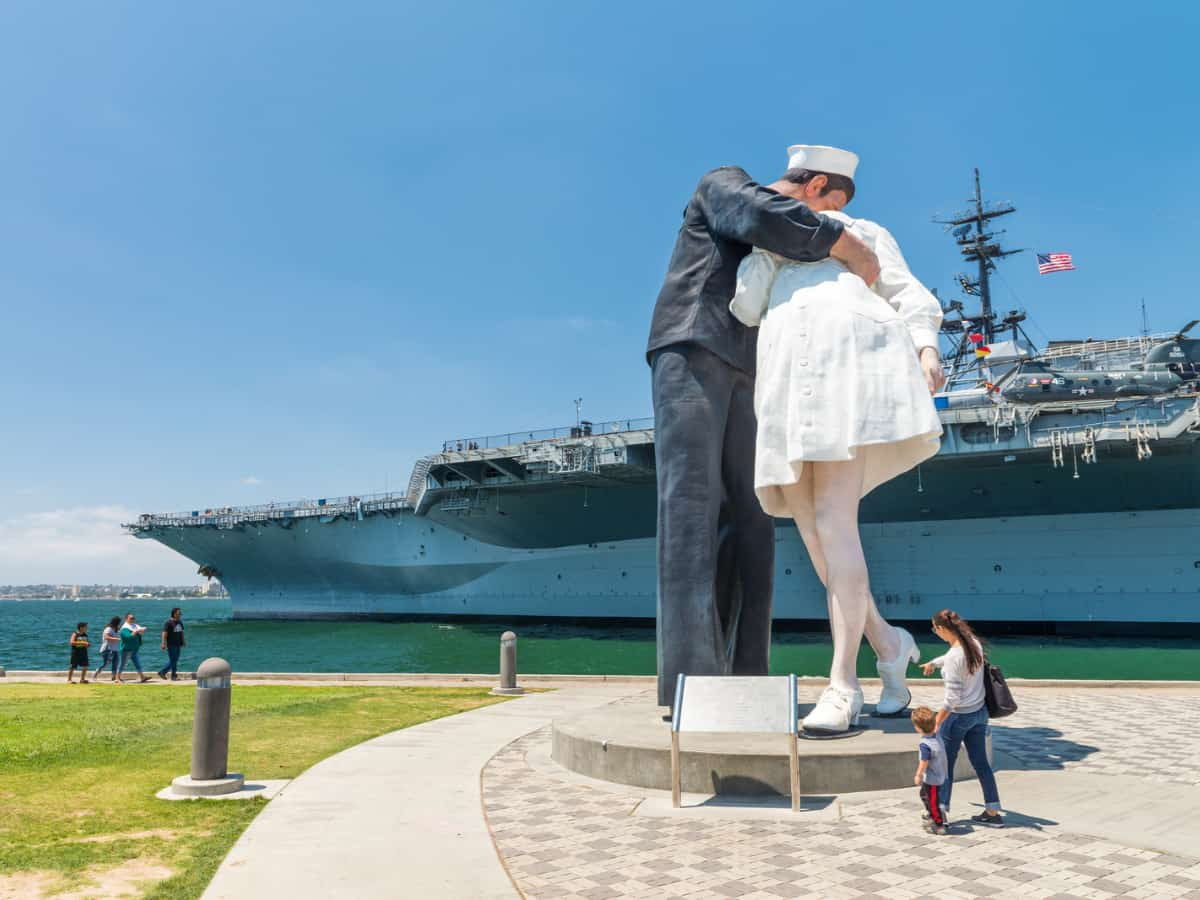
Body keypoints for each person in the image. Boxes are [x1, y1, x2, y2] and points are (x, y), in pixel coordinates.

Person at [647, 152, 882, 707]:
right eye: (831, 207)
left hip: (753, 366)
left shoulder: (784, 236)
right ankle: (691, 686)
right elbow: (764, 214)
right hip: (692, 344)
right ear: (816, 184)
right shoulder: (724, 184)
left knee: (753, 520)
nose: (835, 222)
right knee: (690, 512)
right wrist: (850, 247)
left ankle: (748, 677)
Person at [730, 144, 945, 732]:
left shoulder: (863, 230)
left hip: (849, 376)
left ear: (817, 184)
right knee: (818, 538)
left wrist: (926, 346)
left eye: (789, 184)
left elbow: (906, 292)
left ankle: (842, 682)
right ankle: (892, 646)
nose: (775, 192)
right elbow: (747, 308)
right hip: (788, 389)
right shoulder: (774, 244)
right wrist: (760, 249)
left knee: (833, 523)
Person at [922, 608, 1005, 827]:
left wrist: (937, 722)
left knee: (944, 766)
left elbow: (952, 699)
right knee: (981, 764)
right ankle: (993, 811)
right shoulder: (973, 643)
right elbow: (954, 658)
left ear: (941, 629)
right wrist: (934, 662)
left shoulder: (954, 657)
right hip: (979, 713)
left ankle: (939, 813)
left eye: (934, 629)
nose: (935, 633)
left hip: (958, 718)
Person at [912, 705, 948, 835]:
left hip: (933, 779)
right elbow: (940, 722)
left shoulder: (925, 745)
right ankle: (930, 813)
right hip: (941, 774)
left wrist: (918, 775)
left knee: (933, 802)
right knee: (924, 794)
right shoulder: (936, 734)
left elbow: (924, 762)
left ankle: (939, 824)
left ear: (918, 728)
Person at [116, 613, 150, 684]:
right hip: (126, 649)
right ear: (126, 619)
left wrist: (141, 630)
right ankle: (117, 678)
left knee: (137, 663)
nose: (133, 619)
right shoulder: (124, 628)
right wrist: (136, 631)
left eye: (133, 618)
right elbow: (128, 637)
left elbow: (140, 633)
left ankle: (142, 677)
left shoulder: (135, 626)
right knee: (122, 663)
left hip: (134, 648)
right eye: (131, 618)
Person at [158, 607, 186, 680]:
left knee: (175, 660)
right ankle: (171, 675)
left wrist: (183, 641)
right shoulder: (168, 623)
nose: (180, 615)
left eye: (180, 614)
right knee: (173, 660)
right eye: (178, 613)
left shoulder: (180, 622)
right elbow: (164, 633)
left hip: (178, 643)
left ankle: (166, 673)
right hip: (171, 644)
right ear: (174, 614)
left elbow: (182, 632)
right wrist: (163, 643)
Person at [97, 616, 121, 681]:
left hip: (115, 649)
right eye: (119, 622)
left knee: (115, 664)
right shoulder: (108, 629)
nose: (120, 624)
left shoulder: (117, 629)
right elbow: (106, 637)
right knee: (105, 664)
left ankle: (114, 677)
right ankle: (96, 674)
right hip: (107, 649)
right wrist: (117, 639)